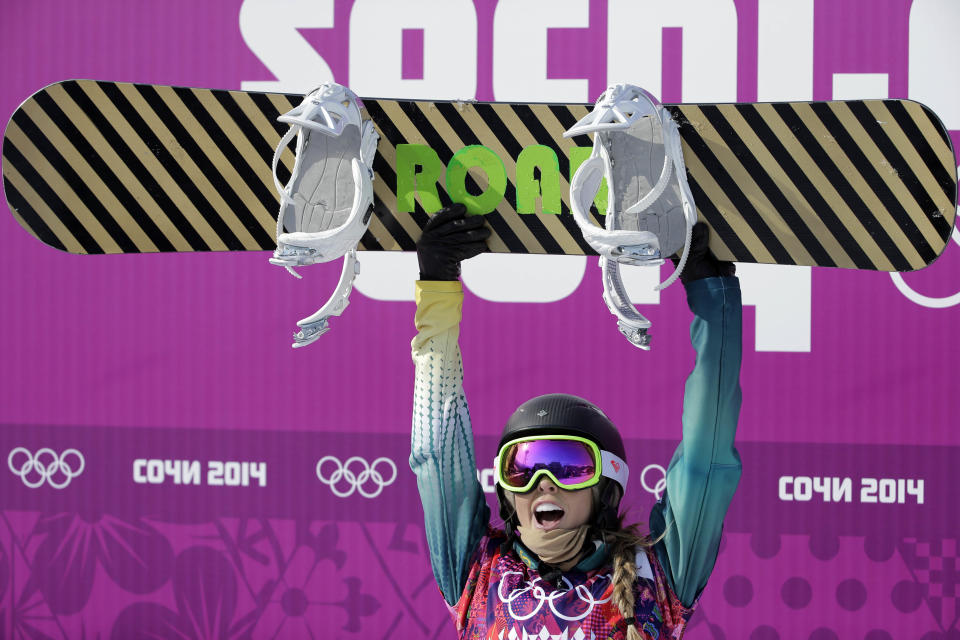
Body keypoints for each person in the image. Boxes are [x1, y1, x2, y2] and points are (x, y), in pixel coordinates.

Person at [410, 203, 742, 639]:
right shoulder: (477, 568)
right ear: (507, 495)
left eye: (568, 466)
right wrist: (436, 283)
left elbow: (705, 461)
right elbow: (438, 454)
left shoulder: (658, 573)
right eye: (523, 468)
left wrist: (710, 295)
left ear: (605, 487)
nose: (543, 482)